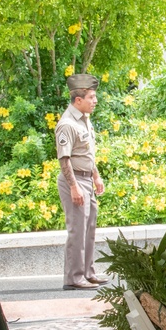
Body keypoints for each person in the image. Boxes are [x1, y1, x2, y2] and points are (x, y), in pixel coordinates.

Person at [55, 74, 106, 291]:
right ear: (78, 100)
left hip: (86, 178)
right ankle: (74, 278)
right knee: (77, 230)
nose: (95, 101)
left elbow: (86, 153)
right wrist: (74, 186)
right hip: (74, 180)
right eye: (91, 97)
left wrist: (95, 176)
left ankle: (88, 273)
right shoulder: (67, 124)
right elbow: (64, 159)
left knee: (89, 229)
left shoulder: (84, 119)